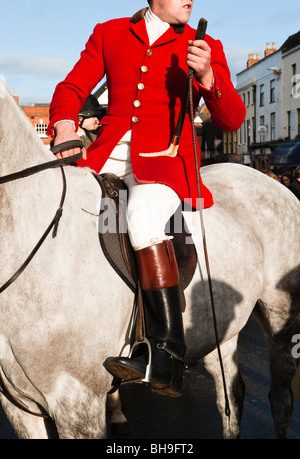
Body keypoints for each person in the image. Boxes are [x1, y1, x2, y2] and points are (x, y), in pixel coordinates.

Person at [47, 0, 246, 397]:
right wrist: (65, 123)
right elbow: (71, 87)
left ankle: (167, 356)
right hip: (104, 157)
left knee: (140, 216)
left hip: (165, 162)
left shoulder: (205, 44)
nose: (190, 0)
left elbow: (232, 120)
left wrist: (208, 74)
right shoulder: (110, 32)